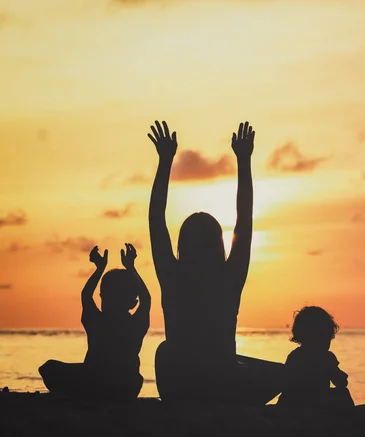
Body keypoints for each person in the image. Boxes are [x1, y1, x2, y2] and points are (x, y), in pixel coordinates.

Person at [148, 120, 283, 405]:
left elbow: (155, 220)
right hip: (223, 385)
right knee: (281, 374)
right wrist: (244, 161)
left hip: (179, 386)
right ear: (217, 243)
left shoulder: (171, 274)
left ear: (182, 244)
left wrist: (165, 161)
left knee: (163, 350)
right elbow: (244, 222)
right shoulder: (229, 276)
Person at [39, 243, 151, 400]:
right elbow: (146, 299)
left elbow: (86, 295)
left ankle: (79, 394)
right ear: (133, 303)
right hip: (126, 386)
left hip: (96, 382)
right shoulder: (135, 324)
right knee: (51, 368)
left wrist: (99, 269)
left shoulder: (97, 321)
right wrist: (131, 268)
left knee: (49, 368)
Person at [277, 306, 354, 409]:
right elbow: (340, 382)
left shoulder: (294, 356)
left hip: (293, 403)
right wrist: (342, 376)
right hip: (317, 402)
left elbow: (285, 382)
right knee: (343, 393)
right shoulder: (326, 358)